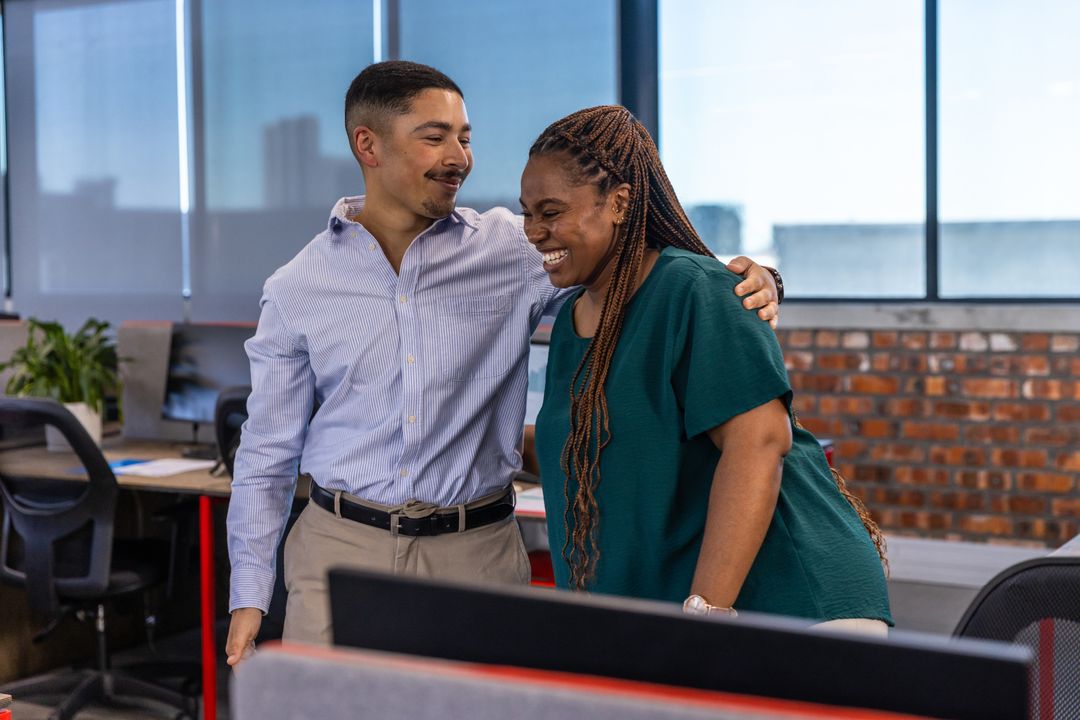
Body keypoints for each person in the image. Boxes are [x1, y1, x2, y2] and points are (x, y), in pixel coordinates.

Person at [225, 62, 782, 665]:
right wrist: (250, 595)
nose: (459, 157)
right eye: (435, 137)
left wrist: (762, 278)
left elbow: (636, 255)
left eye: (465, 137)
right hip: (340, 549)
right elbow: (266, 454)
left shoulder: (514, 247)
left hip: (476, 553)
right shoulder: (296, 286)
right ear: (369, 145)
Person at [522, 105, 891, 633]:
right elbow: (585, 443)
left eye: (551, 211)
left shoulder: (693, 289)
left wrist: (704, 617)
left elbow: (758, 444)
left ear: (621, 203)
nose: (534, 230)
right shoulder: (573, 321)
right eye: (528, 212)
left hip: (790, 606)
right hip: (682, 609)